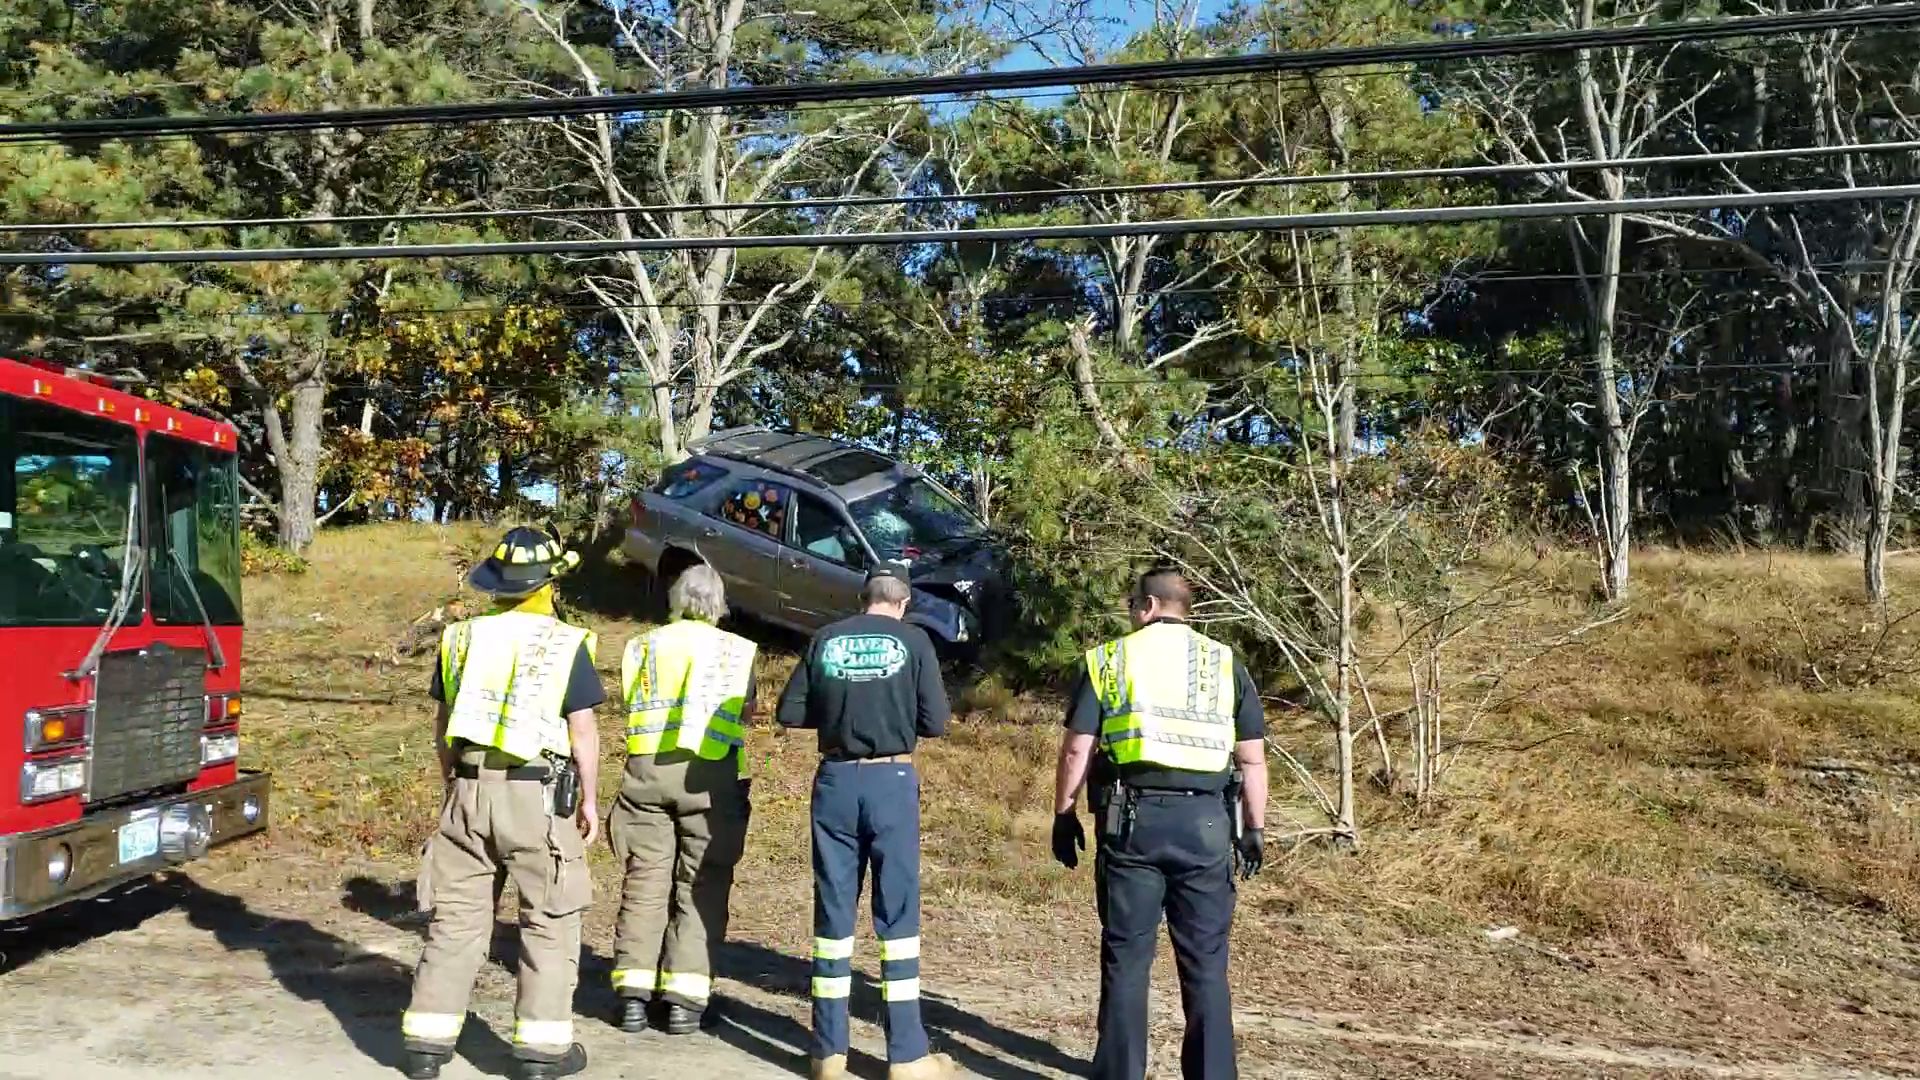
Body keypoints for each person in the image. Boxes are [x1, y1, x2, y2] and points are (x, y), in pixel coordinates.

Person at [1050, 568, 1269, 1080]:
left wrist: (1064, 813)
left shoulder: (1109, 659)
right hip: (1207, 823)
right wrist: (1253, 827)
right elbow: (1253, 758)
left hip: (1133, 822)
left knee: (1128, 958)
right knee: (1206, 964)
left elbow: (1078, 746)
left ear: (1148, 605)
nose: (1130, 613)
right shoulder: (1223, 661)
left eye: (1132, 605)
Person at [401, 527, 602, 1080]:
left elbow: (444, 727)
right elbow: (581, 731)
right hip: (536, 797)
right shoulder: (567, 643)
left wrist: (454, 785)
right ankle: (541, 1051)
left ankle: (426, 1044)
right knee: (549, 917)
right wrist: (589, 799)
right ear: (550, 583)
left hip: (467, 789)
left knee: (456, 920)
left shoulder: (460, 638)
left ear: (497, 584)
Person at [776, 564, 963, 1080]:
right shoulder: (915, 641)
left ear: (863, 598)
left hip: (834, 781)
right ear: (903, 603)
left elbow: (790, 712)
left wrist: (840, 711)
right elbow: (937, 723)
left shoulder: (827, 638)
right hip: (891, 782)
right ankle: (906, 1055)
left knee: (833, 918)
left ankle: (827, 1053)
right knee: (897, 918)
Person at [608, 564, 757, 1035]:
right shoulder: (739, 652)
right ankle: (685, 1003)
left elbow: (632, 699)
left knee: (645, 881)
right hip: (709, 777)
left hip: (647, 771)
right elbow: (747, 710)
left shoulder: (641, 646)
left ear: (675, 598)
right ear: (718, 605)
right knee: (703, 884)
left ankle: (633, 994)